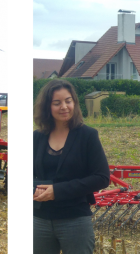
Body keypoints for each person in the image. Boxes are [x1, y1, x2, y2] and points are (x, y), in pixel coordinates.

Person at [32, 79, 109, 254]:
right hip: (40, 220)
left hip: (74, 219)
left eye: (68, 101)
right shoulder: (37, 137)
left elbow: (102, 177)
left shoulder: (87, 135)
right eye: (57, 103)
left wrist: (57, 191)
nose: (64, 107)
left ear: (74, 102)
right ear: (47, 107)